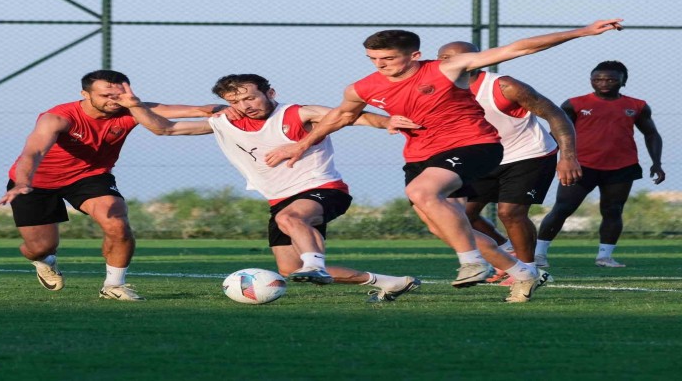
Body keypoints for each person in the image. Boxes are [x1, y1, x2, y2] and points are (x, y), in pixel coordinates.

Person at [264, 19, 624, 303]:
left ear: (414, 55)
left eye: (388, 59)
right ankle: (524, 272)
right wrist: (301, 145)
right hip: (421, 155)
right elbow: (341, 116)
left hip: (475, 145)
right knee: (444, 225)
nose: (381, 65)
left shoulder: (447, 69)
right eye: (373, 59)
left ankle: (472, 264)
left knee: (424, 193)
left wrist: (583, 32)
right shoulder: (363, 87)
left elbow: (520, 48)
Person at [113, 74, 423, 303]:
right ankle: (390, 282)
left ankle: (314, 264)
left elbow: (349, 116)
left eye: (250, 98)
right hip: (280, 200)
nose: (244, 106)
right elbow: (164, 129)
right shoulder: (224, 122)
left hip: (325, 189)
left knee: (292, 221)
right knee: (289, 268)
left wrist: (387, 122)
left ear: (270, 92)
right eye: (236, 101)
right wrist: (135, 105)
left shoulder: (297, 113)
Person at [0, 69, 226, 301]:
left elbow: (199, 110)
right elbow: (33, 152)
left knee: (117, 224)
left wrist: (235, 111)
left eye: (118, 95)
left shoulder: (131, 108)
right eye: (105, 95)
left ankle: (114, 286)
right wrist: (22, 182)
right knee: (41, 247)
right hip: (35, 182)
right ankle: (44, 261)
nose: (113, 101)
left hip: (89, 176)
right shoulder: (57, 117)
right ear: (85, 94)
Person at [435, 41, 580, 285]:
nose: (448, 62)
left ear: (477, 58)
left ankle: (530, 271)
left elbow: (555, 114)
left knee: (510, 212)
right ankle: (507, 255)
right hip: (483, 157)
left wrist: (568, 156)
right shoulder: (435, 89)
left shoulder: (504, 86)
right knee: (461, 214)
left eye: (454, 57)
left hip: (529, 154)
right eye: (443, 57)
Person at [535, 60, 665, 268]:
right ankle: (539, 254)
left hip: (622, 167)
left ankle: (605, 257)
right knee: (563, 208)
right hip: (581, 166)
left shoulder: (637, 106)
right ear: (591, 80)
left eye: (610, 79)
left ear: (623, 81)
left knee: (613, 210)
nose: (603, 83)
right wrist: (551, 160)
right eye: (597, 79)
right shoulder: (574, 104)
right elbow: (557, 133)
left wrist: (656, 162)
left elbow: (651, 134)